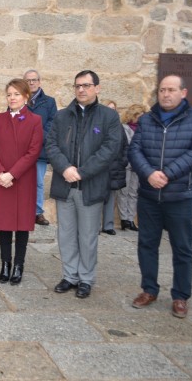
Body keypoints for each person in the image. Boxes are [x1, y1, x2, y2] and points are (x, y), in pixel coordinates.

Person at [129, 74, 192, 318]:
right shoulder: (147, 119)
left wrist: (167, 173)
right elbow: (135, 150)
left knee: (182, 248)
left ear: (183, 93)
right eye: (163, 90)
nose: (166, 94)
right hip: (149, 195)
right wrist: (149, 174)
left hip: (180, 196)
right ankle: (149, 289)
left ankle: (181, 296)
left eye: (171, 90)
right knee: (146, 244)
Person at [46, 70, 122, 299]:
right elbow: (50, 145)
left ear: (97, 88)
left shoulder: (108, 117)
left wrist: (81, 172)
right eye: (78, 85)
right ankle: (70, 276)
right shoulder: (61, 116)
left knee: (88, 237)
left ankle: (86, 279)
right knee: (66, 234)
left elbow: (110, 149)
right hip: (65, 185)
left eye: (86, 85)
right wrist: (65, 169)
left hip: (90, 186)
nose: (81, 90)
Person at [0, 79, 42, 285]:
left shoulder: (35, 120)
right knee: (5, 224)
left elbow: (33, 151)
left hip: (23, 179)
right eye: (9, 94)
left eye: (16, 94)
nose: (12, 98)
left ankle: (19, 265)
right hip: (2, 180)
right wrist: (0, 172)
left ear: (25, 97)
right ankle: (5, 264)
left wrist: (12, 174)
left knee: (22, 225)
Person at [23, 69, 57, 226]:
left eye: (34, 80)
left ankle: (37, 212)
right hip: (22, 150)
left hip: (40, 150)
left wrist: (35, 135)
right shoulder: (19, 100)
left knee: (38, 182)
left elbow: (51, 125)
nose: (31, 83)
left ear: (39, 81)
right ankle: (23, 210)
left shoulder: (49, 102)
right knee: (22, 181)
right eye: (28, 80)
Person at [99, 100, 129, 236]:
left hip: (115, 166)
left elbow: (125, 146)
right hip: (100, 167)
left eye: (113, 108)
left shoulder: (119, 127)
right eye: (108, 108)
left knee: (111, 198)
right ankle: (95, 225)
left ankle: (108, 225)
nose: (111, 111)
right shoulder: (98, 124)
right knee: (97, 198)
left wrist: (122, 161)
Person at [116, 104, 147, 231]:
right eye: (139, 116)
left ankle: (130, 219)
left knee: (134, 192)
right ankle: (124, 219)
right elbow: (127, 145)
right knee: (124, 191)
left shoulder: (144, 129)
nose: (141, 119)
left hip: (138, 165)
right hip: (127, 164)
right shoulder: (125, 128)